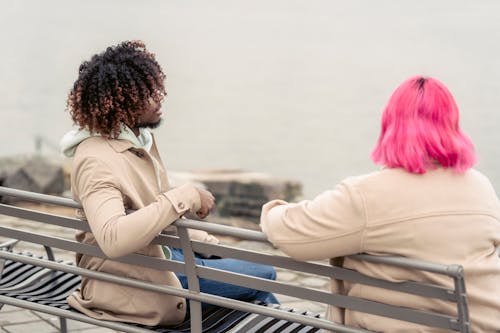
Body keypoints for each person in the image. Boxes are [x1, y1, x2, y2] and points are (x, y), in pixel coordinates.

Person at [60, 40, 278, 327]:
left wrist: (214, 247)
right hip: (134, 280)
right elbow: (113, 238)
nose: (160, 98)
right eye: (149, 93)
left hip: (160, 260)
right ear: (124, 103)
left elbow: (155, 215)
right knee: (265, 275)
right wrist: (185, 195)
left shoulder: (137, 143)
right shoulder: (97, 160)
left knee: (254, 286)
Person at [260, 76, 500, 332]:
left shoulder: (367, 195)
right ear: (452, 124)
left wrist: (272, 210)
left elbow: (292, 235)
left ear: (390, 124)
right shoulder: (480, 186)